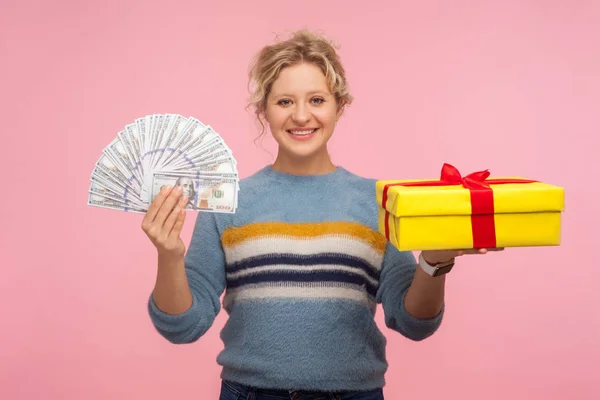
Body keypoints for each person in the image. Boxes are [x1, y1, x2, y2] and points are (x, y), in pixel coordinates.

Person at [141, 30, 501, 400]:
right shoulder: (228, 203)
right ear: (262, 109)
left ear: (339, 105)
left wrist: (434, 263)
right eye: (284, 101)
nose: (301, 116)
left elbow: (413, 322)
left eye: (316, 99)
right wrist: (169, 255)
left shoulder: (376, 201)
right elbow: (182, 326)